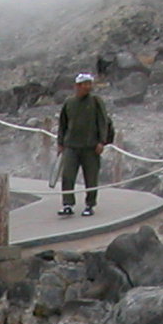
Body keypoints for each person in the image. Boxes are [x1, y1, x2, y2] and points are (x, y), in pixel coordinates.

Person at [57, 73, 114, 217]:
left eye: (89, 83)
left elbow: (103, 122)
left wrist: (102, 141)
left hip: (91, 147)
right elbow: (63, 124)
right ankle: (68, 204)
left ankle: (90, 204)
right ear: (77, 86)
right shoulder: (69, 102)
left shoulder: (96, 101)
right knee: (68, 176)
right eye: (85, 84)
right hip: (71, 146)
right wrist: (60, 142)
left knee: (91, 177)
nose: (88, 87)